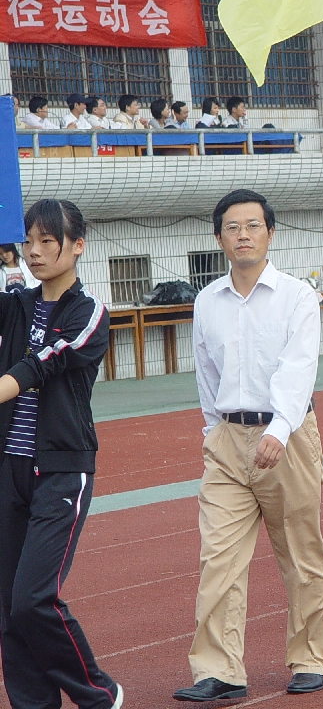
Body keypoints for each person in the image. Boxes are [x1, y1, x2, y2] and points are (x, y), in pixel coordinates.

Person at [174, 190, 323, 700]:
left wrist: (278, 430)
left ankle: (311, 658)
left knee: (299, 554)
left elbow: (299, 367)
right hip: (226, 442)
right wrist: (211, 432)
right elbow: (207, 374)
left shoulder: (296, 296)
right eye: (232, 227)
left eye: (253, 225)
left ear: (270, 232)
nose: (243, 234)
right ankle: (219, 671)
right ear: (218, 237)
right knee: (217, 558)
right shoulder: (207, 301)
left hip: (286, 438)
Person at [0, 199, 122, 709]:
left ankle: (98, 693)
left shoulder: (88, 311)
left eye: (47, 242)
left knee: (33, 598)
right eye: (29, 241)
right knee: (7, 608)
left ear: (77, 246)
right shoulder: (14, 304)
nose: (35, 252)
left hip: (61, 471)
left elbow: (43, 362)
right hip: (9, 471)